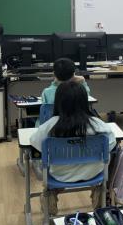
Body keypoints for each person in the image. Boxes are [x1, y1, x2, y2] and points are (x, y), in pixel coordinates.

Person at [31, 81, 116, 215]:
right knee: (111, 156)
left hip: (60, 175)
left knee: (43, 165)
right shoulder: (97, 124)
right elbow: (111, 144)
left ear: (58, 102)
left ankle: (50, 194)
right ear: (84, 101)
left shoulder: (50, 125)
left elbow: (35, 143)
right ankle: (99, 192)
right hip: (93, 173)